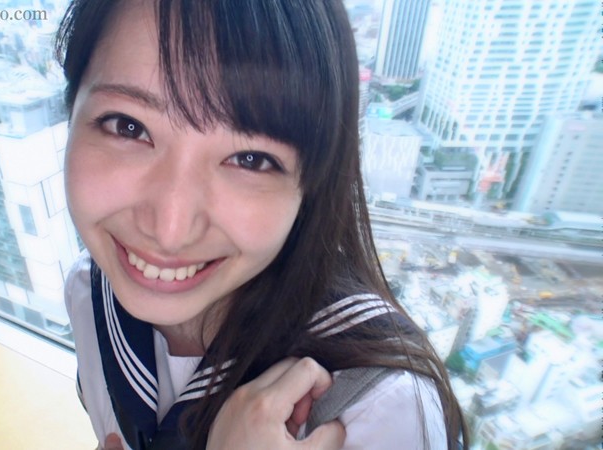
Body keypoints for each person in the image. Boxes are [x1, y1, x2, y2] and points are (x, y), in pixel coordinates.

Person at [56, 0, 468, 449]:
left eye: (250, 159)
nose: (169, 230)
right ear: (71, 110)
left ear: (312, 182)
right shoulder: (90, 295)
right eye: (128, 126)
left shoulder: (381, 411)